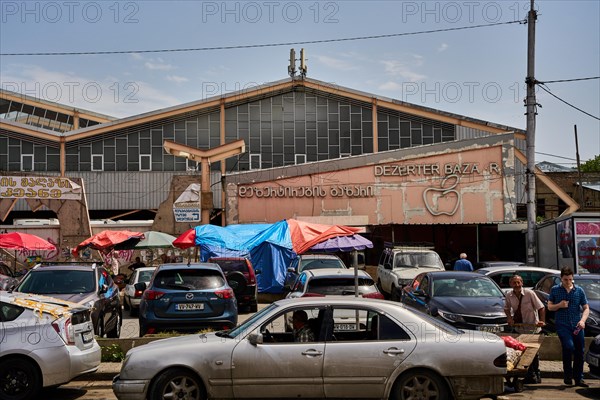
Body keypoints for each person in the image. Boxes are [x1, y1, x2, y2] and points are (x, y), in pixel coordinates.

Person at [548, 266, 590, 387]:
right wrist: (559, 305)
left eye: (570, 279)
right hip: (563, 325)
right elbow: (550, 306)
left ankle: (579, 378)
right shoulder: (555, 290)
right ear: (561, 278)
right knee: (568, 347)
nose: (568, 282)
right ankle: (567, 375)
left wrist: (583, 321)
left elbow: (586, 308)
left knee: (579, 351)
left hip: (577, 325)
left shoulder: (579, 290)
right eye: (565, 279)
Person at [504, 274, 546, 384]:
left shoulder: (530, 293)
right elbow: (506, 308)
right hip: (519, 328)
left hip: (533, 328)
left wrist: (541, 321)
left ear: (522, 283)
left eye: (519, 282)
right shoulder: (509, 295)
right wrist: (509, 318)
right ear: (510, 284)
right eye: (514, 283)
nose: (517, 285)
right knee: (521, 351)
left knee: (533, 353)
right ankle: (529, 374)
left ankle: (536, 374)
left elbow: (541, 307)